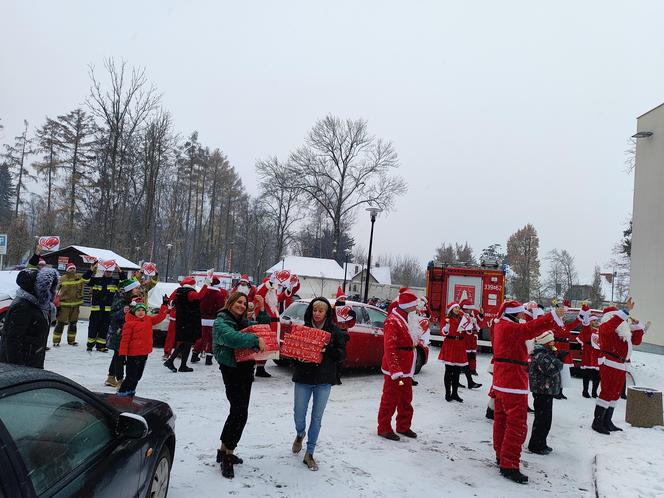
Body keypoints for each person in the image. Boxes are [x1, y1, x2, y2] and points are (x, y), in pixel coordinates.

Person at [492, 300, 566, 484]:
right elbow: (532, 328)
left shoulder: (500, 325)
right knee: (516, 425)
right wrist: (554, 315)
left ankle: (501, 455)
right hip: (513, 382)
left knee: (501, 420)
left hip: (501, 381)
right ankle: (509, 464)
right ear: (515, 314)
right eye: (522, 313)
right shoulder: (511, 328)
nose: (524, 316)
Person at [212, 292, 269, 479]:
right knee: (240, 412)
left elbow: (261, 326)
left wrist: (261, 310)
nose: (242, 305)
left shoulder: (242, 321)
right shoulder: (222, 321)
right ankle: (228, 456)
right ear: (230, 302)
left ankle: (223, 450)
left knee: (236, 411)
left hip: (245, 368)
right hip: (232, 370)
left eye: (244, 303)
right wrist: (254, 340)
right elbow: (231, 338)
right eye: (238, 302)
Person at [291, 297, 348, 471]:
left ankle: (310, 453)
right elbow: (292, 352)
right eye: (314, 310)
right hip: (303, 378)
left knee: (317, 418)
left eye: (320, 311)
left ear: (326, 313)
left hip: (324, 380)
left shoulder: (335, 332)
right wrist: (297, 357)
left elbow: (341, 355)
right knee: (299, 414)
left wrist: (327, 350)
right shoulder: (303, 329)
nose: (317, 314)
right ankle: (300, 433)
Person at [592, 298, 644, 434]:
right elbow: (613, 323)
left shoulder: (622, 332)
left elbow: (636, 342)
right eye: (617, 317)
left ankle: (607, 420)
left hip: (621, 364)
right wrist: (625, 312)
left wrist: (637, 328)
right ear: (611, 317)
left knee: (615, 393)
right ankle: (597, 422)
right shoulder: (605, 327)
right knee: (607, 392)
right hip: (609, 362)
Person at [377, 288, 420, 441]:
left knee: (405, 398)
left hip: (407, 367)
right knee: (390, 398)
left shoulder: (408, 317)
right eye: (414, 304)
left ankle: (403, 425)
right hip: (396, 369)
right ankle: (383, 427)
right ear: (407, 304)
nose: (416, 307)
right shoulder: (392, 320)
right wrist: (395, 369)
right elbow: (389, 346)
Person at [0, 268, 59, 368]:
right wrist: (19, 369)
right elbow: (12, 341)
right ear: (35, 287)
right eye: (47, 286)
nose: (50, 290)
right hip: (24, 367)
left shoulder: (37, 305)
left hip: (33, 361)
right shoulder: (23, 306)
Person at [117, 298, 168, 396]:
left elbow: (160, 317)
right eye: (138, 310)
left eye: (143, 310)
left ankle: (131, 391)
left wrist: (164, 305)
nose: (141, 313)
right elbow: (125, 341)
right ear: (133, 312)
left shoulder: (148, 320)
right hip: (133, 355)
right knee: (131, 376)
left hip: (144, 353)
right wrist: (122, 355)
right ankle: (122, 392)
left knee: (138, 376)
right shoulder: (129, 323)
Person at [527, 331, 565, 455]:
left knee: (545, 420)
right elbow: (550, 370)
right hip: (542, 391)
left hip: (546, 391)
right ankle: (536, 445)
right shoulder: (540, 355)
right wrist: (559, 360)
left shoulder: (545, 353)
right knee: (542, 420)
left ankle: (541, 442)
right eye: (551, 341)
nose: (553, 343)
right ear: (546, 343)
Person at [164, 276, 208, 372]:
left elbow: (171, 302)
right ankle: (182, 365)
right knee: (187, 343)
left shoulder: (179, 292)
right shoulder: (189, 292)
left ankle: (171, 361)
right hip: (189, 321)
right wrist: (206, 284)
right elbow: (200, 296)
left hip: (182, 320)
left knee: (184, 343)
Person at [105, 278, 142, 387]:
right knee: (120, 356)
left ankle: (111, 377)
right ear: (130, 289)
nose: (138, 290)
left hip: (126, 332)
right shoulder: (120, 299)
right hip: (118, 332)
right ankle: (120, 380)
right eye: (136, 288)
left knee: (118, 355)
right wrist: (123, 311)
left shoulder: (134, 299)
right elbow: (112, 315)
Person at [84, 262, 126, 352]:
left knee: (105, 328)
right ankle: (90, 345)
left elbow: (124, 282)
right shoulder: (96, 280)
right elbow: (85, 279)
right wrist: (92, 269)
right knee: (93, 327)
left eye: (110, 271)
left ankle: (101, 346)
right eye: (107, 271)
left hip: (108, 311)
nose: (108, 273)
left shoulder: (115, 282)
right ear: (103, 271)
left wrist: (119, 270)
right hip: (96, 310)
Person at [438, 302, 469, 402]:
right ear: (451, 309)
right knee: (448, 371)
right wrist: (447, 326)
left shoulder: (462, 318)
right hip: (450, 345)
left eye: (458, 307)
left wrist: (470, 324)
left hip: (459, 345)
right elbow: (443, 333)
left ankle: (455, 393)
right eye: (455, 307)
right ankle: (448, 393)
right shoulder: (447, 318)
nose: (457, 309)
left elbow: (467, 332)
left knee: (457, 372)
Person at [193, 277, 228, 365]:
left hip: (202, 318)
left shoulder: (204, 292)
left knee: (202, 337)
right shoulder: (218, 295)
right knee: (212, 338)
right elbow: (221, 307)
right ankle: (209, 358)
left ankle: (195, 354)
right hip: (213, 318)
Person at [52, 263, 88, 346]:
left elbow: (89, 276)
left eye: (73, 268)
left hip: (76, 305)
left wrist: (93, 269)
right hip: (64, 305)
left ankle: (71, 341)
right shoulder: (62, 279)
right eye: (70, 268)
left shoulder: (79, 277)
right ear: (67, 270)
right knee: (60, 323)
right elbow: (55, 289)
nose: (72, 270)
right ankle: (56, 341)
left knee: (73, 323)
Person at [576, 304, 600, 398]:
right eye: (593, 320)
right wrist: (586, 311)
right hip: (588, 352)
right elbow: (585, 322)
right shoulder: (586, 329)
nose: (595, 322)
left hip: (597, 354)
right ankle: (585, 391)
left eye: (596, 320)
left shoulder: (600, 330)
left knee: (597, 375)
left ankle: (594, 392)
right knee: (587, 374)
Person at [460, 299, 483, 389]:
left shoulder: (470, 315)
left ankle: (469, 382)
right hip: (462, 342)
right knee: (458, 364)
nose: (471, 311)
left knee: (464, 362)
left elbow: (479, 321)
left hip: (469, 341)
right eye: (468, 309)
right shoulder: (462, 315)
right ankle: (467, 382)